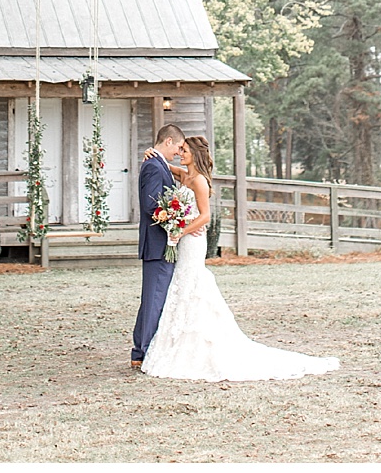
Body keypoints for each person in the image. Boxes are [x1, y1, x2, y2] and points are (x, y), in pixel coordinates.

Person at [142, 134, 340, 381]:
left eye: (184, 150)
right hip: (183, 240)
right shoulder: (186, 176)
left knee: (192, 282)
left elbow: (205, 216)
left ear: (195, 154)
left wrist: (180, 231)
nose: (180, 154)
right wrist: (152, 152)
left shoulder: (200, 181)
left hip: (192, 240)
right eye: (179, 150)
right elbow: (164, 164)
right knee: (181, 284)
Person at [131, 123, 185, 368]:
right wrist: (173, 224)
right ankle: (143, 351)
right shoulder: (153, 165)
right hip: (157, 243)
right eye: (178, 147)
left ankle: (140, 350)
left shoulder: (158, 163)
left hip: (162, 242)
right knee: (154, 299)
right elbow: (151, 205)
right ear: (168, 141)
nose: (179, 153)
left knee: (154, 298)